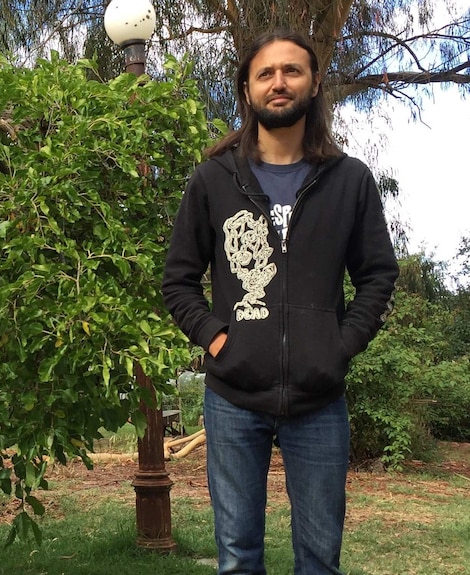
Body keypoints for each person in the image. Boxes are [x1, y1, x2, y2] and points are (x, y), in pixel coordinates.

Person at [161, 30, 399, 574]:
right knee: (239, 558)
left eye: (292, 71)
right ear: (247, 91)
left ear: (314, 84)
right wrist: (219, 339)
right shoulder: (213, 180)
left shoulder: (350, 181)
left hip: (320, 400)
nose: (279, 82)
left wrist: (339, 346)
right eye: (265, 73)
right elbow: (178, 280)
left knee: (319, 560)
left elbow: (378, 277)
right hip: (232, 397)